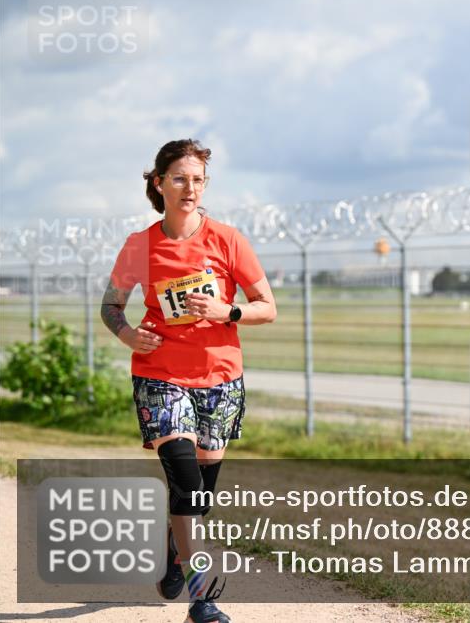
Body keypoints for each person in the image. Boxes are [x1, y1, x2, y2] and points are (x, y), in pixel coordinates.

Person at [101, 139, 276, 623]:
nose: (190, 188)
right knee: (183, 478)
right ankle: (203, 598)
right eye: (179, 178)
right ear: (158, 183)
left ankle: (174, 553)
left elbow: (268, 307)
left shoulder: (228, 240)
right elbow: (110, 306)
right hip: (159, 376)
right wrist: (128, 334)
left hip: (220, 377)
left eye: (198, 179)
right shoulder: (141, 245)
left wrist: (229, 310)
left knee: (199, 493)